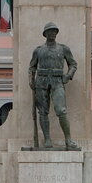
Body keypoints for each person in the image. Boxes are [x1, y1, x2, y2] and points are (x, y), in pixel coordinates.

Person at [28, 21, 78, 150]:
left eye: (55, 31)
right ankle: (47, 139)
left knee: (61, 110)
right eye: (50, 31)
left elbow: (73, 64)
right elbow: (32, 67)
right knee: (43, 112)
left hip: (57, 81)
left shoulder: (63, 48)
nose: (53, 33)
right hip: (41, 81)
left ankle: (68, 139)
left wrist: (68, 75)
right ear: (45, 34)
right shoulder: (38, 50)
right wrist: (31, 80)